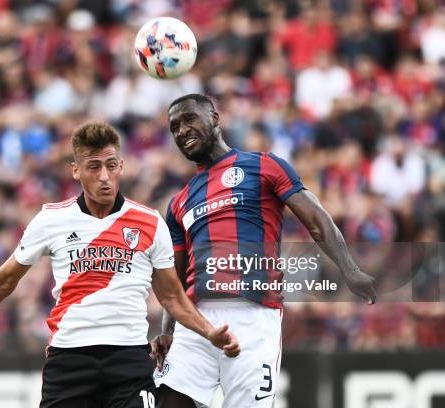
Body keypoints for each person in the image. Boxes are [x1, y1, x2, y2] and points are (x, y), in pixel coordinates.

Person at [0, 120, 240, 408]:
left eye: (111, 165)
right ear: (76, 170)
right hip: (69, 361)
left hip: (128, 359)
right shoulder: (52, 219)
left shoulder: (149, 222)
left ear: (122, 167)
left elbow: (171, 297)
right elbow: (6, 278)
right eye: (93, 167)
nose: (104, 176)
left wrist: (209, 331)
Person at [150, 94, 376, 408]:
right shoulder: (178, 203)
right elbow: (174, 277)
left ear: (215, 119)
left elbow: (316, 219)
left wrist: (349, 269)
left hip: (253, 316)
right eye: (174, 126)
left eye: (190, 119)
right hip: (197, 321)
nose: (182, 130)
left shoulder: (263, 165)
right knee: (168, 402)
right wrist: (168, 330)